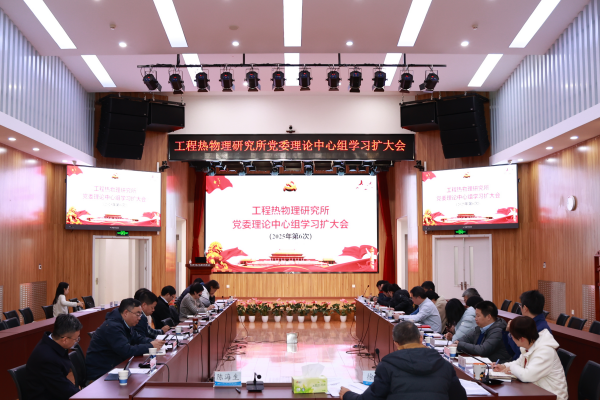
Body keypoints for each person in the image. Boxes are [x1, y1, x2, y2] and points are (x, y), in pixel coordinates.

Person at [340, 321, 466, 400]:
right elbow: (460, 397)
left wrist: (347, 395)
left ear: (396, 343)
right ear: (420, 338)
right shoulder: (444, 365)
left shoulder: (387, 366)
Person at [85, 298, 164, 381]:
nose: (139, 318)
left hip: (115, 365)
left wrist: (154, 342)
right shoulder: (112, 327)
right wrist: (150, 346)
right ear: (126, 313)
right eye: (137, 314)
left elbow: (137, 338)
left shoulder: (125, 323)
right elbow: (126, 351)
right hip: (101, 372)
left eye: (140, 315)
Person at [493, 317, 567, 400]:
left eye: (512, 336)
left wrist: (511, 368)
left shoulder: (545, 351)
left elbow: (526, 376)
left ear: (522, 339)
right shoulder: (530, 344)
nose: (512, 338)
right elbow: (519, 362)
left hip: (553, 397)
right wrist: (504, 366)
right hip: (536, 392)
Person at [26, 314, 83, 400]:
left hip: (53, 390)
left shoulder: (51, 342)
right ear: (65, 339)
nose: (77, 341)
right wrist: (81, 394)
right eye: (76, 339)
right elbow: (62, 390)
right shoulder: (47, 358)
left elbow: (61, 381)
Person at [504, 290, 551, 360]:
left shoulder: (541, 329)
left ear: (525, 308)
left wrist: (511, 332)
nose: (520, 308)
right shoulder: (529, 323)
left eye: (520, 306)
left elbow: (521, 353)